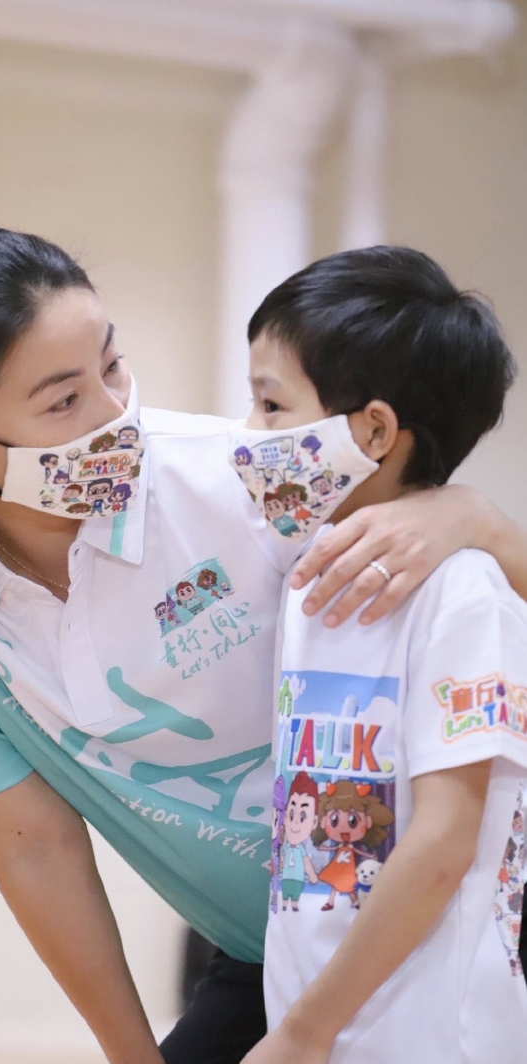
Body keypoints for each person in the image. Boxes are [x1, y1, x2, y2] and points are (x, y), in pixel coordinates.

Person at [0, 227, 527, 1064]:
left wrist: (478, 520)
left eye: (112, 365)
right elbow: (36, 843)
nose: (116, 418)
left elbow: (455, 782)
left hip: (449, 945)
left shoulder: (245, 477)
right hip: (279, 957)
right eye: (63, 402)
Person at [230, 246, 527, 1064]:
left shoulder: (465, 593)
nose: (248, 436)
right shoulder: (308, 580)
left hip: (431, 1037)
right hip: (328, 1027)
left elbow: (443, 845)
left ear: (373, 430)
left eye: (270, 405)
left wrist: (301, 1032)